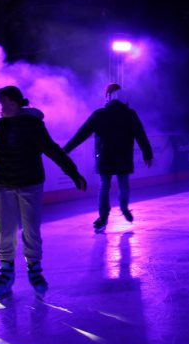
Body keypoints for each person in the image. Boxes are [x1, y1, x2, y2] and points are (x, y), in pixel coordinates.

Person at [0, 85, 88, 298]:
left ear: (15, 103)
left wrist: (73, 173)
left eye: (3, 102)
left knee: (31, 228)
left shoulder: (33, 125)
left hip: (30, 184)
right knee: (5, 229)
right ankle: (6, 271)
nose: (0, 108)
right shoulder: (1, 124)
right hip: (4, 184)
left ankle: (34, 269)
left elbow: (52, 150)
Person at [64, 83, 154, 233]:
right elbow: (141, 134)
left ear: (107, 97)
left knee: (105, 187)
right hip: (123, 156)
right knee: (123, 184)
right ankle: (124, 208)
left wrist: (66, 149)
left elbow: (82, 133)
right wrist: (147, 154)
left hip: (105, 157)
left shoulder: (100, 114)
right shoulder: (130, 114)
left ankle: (103, 218)